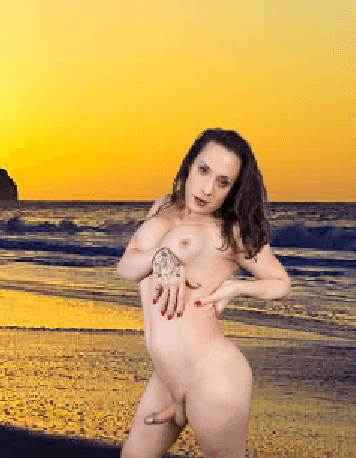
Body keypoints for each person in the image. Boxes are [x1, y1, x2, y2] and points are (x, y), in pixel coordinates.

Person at [116, 128, 291, 458]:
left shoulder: (231, 232)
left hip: (213, 377)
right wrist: (161, 257)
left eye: (223, 182)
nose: (208, 188)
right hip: (167, 379)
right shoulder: (163, 205)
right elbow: (124, 267)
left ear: (233, 188)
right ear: (189, 165)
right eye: (204, 170)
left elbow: (280, 282)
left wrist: (236, 287)